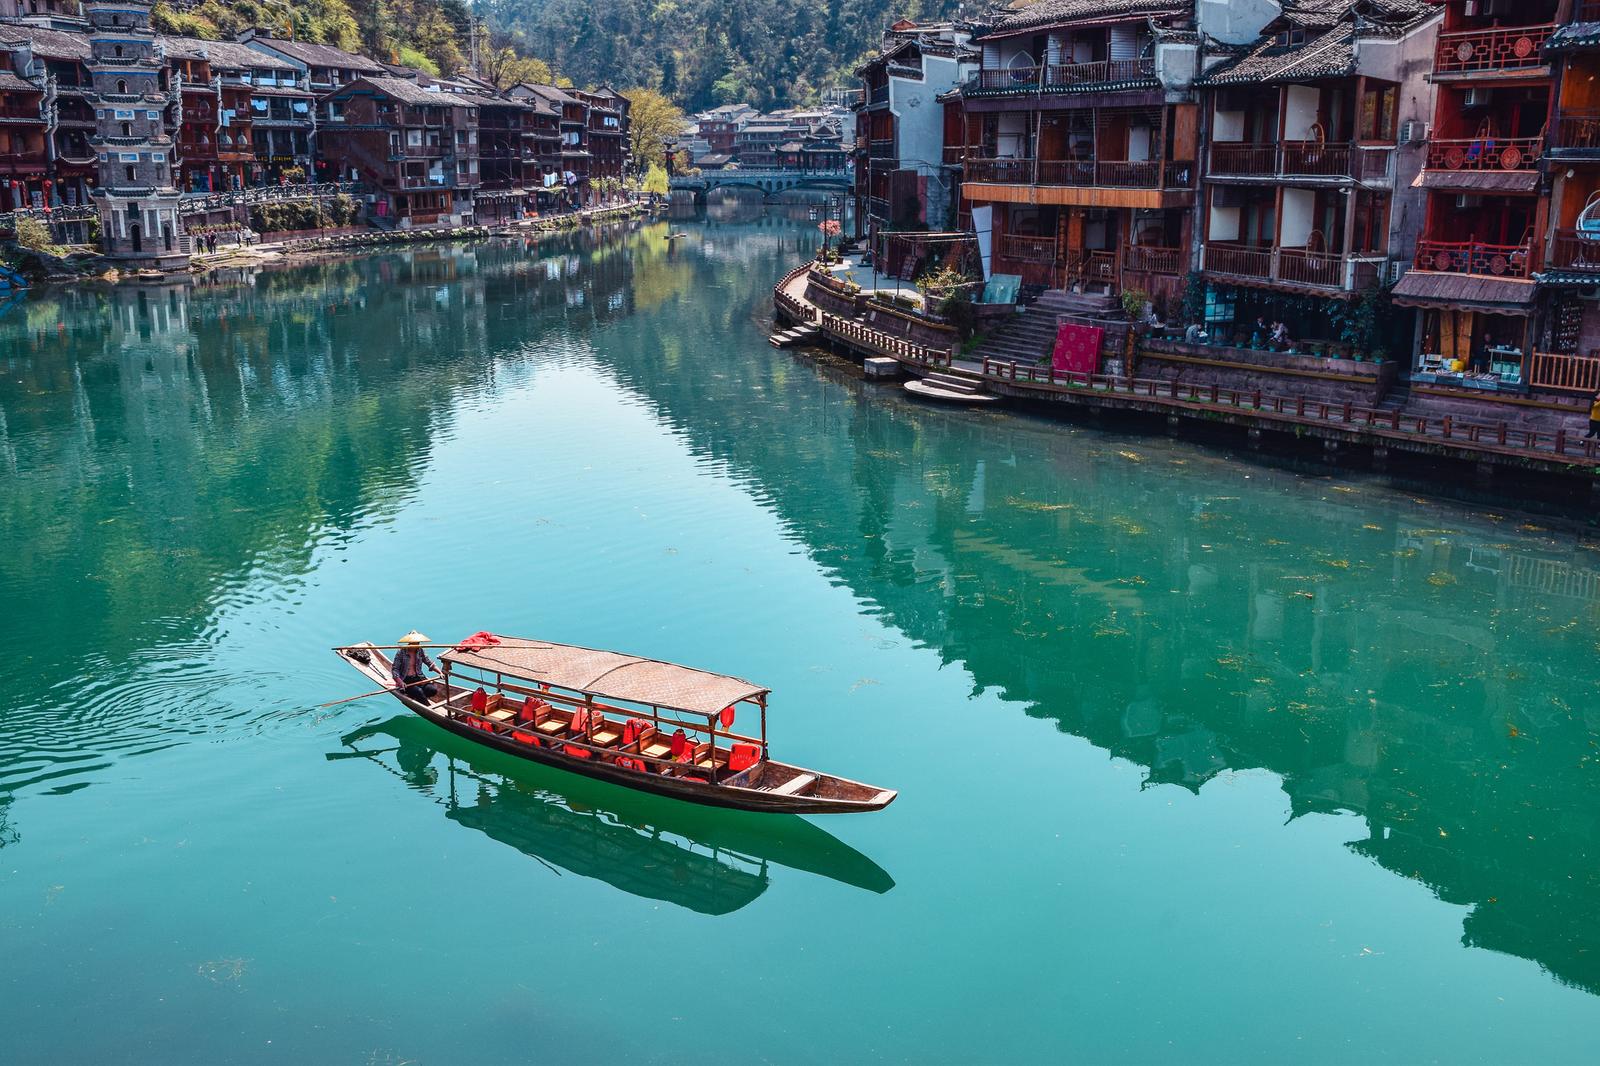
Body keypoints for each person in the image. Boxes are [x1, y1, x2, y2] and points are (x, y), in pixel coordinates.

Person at [391, 630, 440, 701]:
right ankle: (427, 706)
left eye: (417, 643)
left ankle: (419, 696)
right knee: (418, 692)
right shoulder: (401, 652)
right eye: (414, 643)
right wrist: (400, 682)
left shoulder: (420, 650)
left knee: (432, 690)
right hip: (406, 680)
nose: (416, 644)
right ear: (410, 643)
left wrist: (440, 673)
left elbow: (429, 662)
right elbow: (395, 670)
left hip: (419, 677)